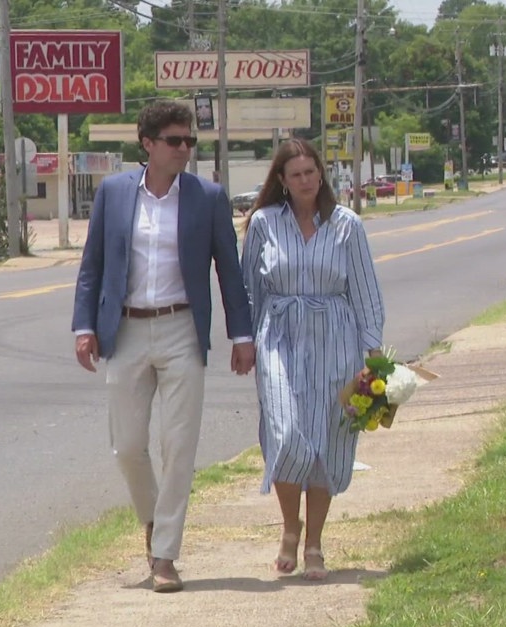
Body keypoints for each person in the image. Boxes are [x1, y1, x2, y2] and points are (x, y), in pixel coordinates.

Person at [71, 100, 255, 593]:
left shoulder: (207, 198)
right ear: (147, 144)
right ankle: (154, 520)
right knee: (128, 445)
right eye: (175, 141)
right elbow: (93, 265)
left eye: (190, 141)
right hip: (126, 330)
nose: (184, 149)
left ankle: (165, 555)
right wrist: (83, 327)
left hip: (180, 329)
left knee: (179, 445)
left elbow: (229, 271)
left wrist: (242, 335)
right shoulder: (112, 193)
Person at [241, 138, 385, 581]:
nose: (306, 180)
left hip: (335, 337)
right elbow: (249, 288)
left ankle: (315, 542)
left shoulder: (347, 226)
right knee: (285, 432)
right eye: (296, 174)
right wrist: (243, 339)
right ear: (282, 181)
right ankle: (290, 525)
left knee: (327, 437)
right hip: (280, 334)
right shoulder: (264, 223)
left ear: (321, 175)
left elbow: (365, 292)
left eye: (311, 171)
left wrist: (372, 354)